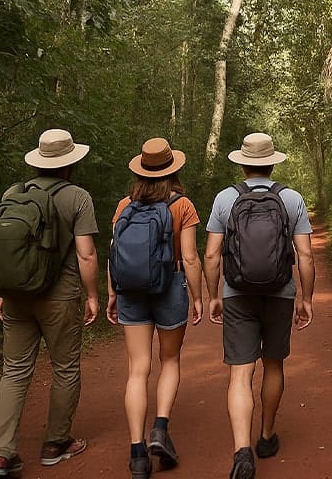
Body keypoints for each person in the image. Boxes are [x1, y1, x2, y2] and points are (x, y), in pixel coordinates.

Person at [0, 128, 100, 477]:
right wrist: (94, 295)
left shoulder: (13, 193)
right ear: (71, 163)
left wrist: (5, 292)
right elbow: (86, 254)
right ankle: (56, 442)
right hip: (59, 298)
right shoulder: (78, 197)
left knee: (14, 371)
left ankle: (0, 454)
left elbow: (8, 252)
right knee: (64, 367)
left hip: (18, 296)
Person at [203, 132, 315, 479]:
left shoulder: (225, 199)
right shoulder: (291, 199)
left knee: (240, 373)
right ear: (272, 162)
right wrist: (305, 298)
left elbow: (210, 255)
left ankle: (242, 451)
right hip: (280, 293)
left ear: (242, 163)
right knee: (274, 365)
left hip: (237, 293)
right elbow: (306, 255)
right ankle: (266, 437)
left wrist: (214, 295)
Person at [106, 137, 203, 479]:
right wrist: (198, 295)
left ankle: (137, 454)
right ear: (173, 169)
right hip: (169, 287)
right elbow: (189, 257)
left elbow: (114, 254)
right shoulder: (183, 206)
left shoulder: (124, 205)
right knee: (170, 360)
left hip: (130, 290)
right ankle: (159, 429)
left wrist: (112, 293)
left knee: (137, 370)